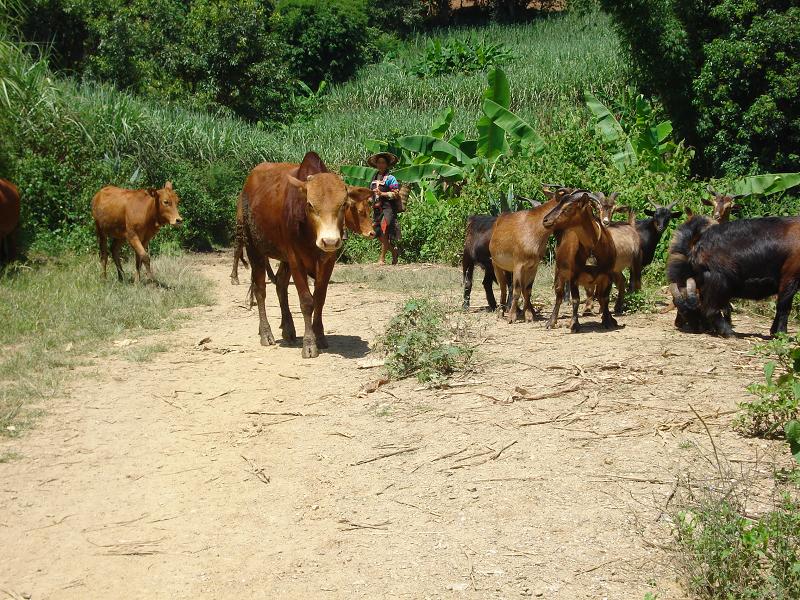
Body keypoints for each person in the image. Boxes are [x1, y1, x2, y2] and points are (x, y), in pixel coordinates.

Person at [368, 152, 402, 265]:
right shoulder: (373, 179)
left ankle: (381, 259)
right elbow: (371, 194)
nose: (381, 165)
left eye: (383, 163)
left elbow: (396, 194)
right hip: (377, 209)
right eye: (379, 162)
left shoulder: (391, 178)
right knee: (376, 232)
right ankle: (394, 252)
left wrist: (382, 194)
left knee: (384, 231)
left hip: (388, 208)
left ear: (387, 165)